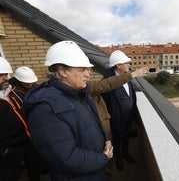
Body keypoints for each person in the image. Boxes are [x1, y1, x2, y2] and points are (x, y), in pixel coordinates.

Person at [23, 40, 113, 181]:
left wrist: (106, 139)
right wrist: (103, 158)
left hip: (95, 170)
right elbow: (65, 158)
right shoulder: (45, 109)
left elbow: (95, 121)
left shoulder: (80, 93)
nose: (88, 74)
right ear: (63, 71)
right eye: (82, 69)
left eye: (88, 69)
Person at [102, 50, 139, 171]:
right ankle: (117, 157)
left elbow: (130, 95)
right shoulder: (108, 81)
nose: (129, 65)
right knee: (117, 138)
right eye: (126, 63)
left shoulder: (126, 76)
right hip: (116, 118)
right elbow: (106, 102)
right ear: (118, 66)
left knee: (126, 136)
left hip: (128, 116)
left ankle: (125, 154)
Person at [0, 57, 31, 181]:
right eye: (1, 75)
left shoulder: (14, 91)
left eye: (6, 74)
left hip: (28, 145)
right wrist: (3, 151)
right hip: (8, 153)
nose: (6, 78)